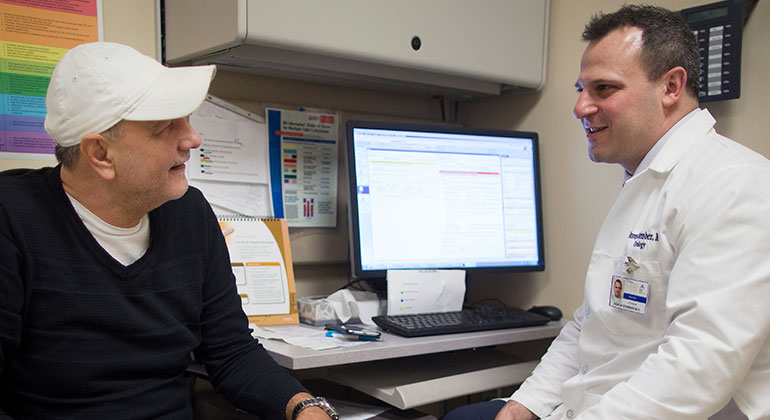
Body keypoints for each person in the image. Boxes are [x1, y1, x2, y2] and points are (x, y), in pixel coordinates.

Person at [443, 4, 770, 420]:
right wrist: (526, 403)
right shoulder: (645, 182)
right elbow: (589, 324)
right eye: (581, 89)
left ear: (671, 87)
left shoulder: (735, 184)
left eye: (603, 89)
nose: (580, 107)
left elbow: (696, 369)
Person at [0, 42, 338, 420]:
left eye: (187, 119)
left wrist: (305, 408)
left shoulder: (189, 214)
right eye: (166, 127)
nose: (192, 138)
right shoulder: (12, 217)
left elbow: (231, 352)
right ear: (100, 154)